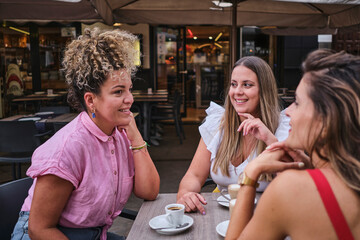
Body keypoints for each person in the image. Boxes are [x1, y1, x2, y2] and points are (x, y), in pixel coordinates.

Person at [11, 28, 160, 240]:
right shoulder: (68, 149)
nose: (130, 99)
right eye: (118, 92)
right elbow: (39, 229)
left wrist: (136, 138)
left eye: (129, 89)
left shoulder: (119, 133)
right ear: (91, 100)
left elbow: (149, 191)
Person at [226, 49, 360, 240]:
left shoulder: (290, 188)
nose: (288, 111)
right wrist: (311, 167)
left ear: (325, 120)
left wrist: (250, 175)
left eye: (297, 102)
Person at [177, 56, 290, 214]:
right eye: (233, 84)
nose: (237, 91)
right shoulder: (217, 124)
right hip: (220, 215)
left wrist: (269, 140)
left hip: (267, 216)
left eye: (247, 85)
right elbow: (194, 176)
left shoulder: (283, 128)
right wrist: (185, 194)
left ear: (264, 90)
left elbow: (293, 186)